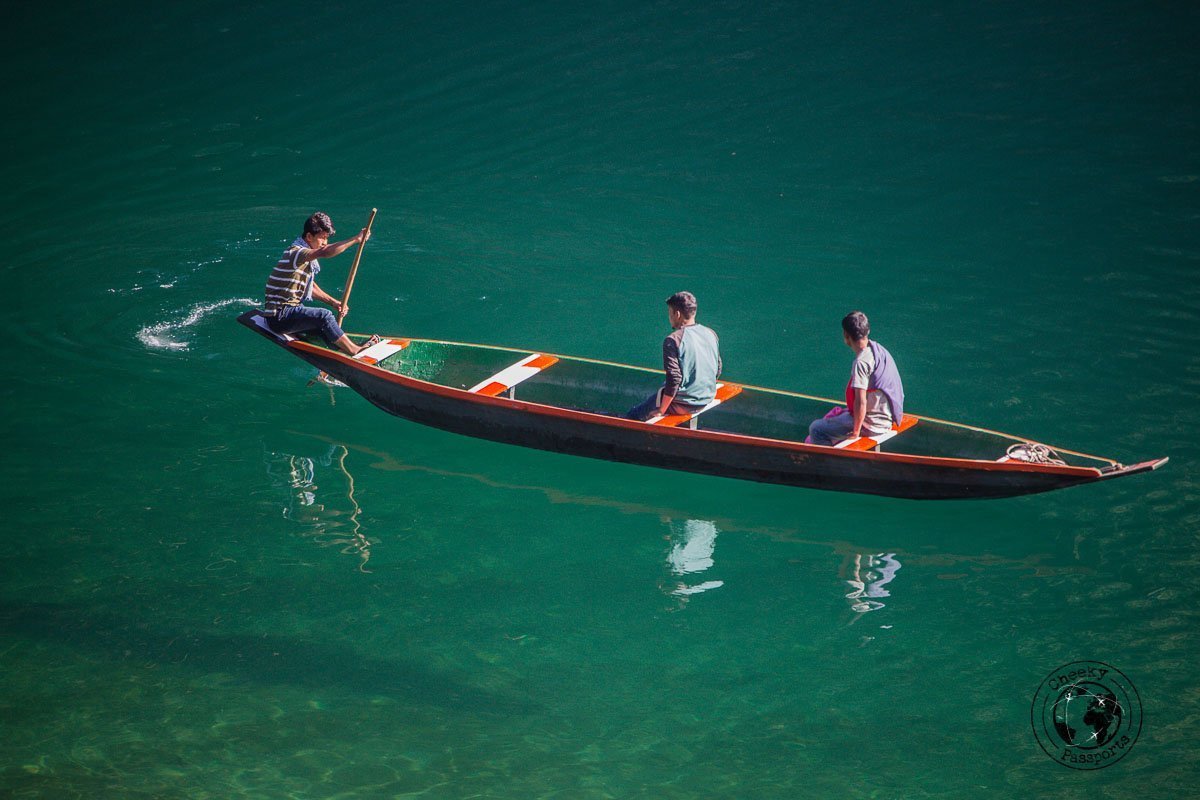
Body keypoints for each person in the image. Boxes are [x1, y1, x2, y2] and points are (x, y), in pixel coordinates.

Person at [263, 211, 375, 356]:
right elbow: (325, 252)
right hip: (278, 317)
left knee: (322, 327)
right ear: (309, 236)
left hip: (287, 312)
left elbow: (310, 287)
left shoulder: (303, 260)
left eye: (327, 238)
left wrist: (334, 302)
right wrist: (356, 239)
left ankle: (343, 351)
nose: (325, 243)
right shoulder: (297, 253)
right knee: (324, 316)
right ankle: (354, 350)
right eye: (322, 238)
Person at [807, 311, 905, 445]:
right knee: (836, 418)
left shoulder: (861, 363)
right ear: (867, 331)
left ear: (846, 336)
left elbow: (861, 402)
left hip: (873, 425)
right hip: (886, 418)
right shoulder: (880, 350)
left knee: (816, 429)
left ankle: (828, 463)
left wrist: (855, 433)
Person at [626, 291, 722, 421]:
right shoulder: (711, 333)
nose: (669, 317)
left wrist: (661, 410)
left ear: (677, 314)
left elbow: (674, 378)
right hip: (706, 397)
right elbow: (718, 368)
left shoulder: (673, 340)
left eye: (669, 313)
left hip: (685, 404)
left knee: (633, 415)